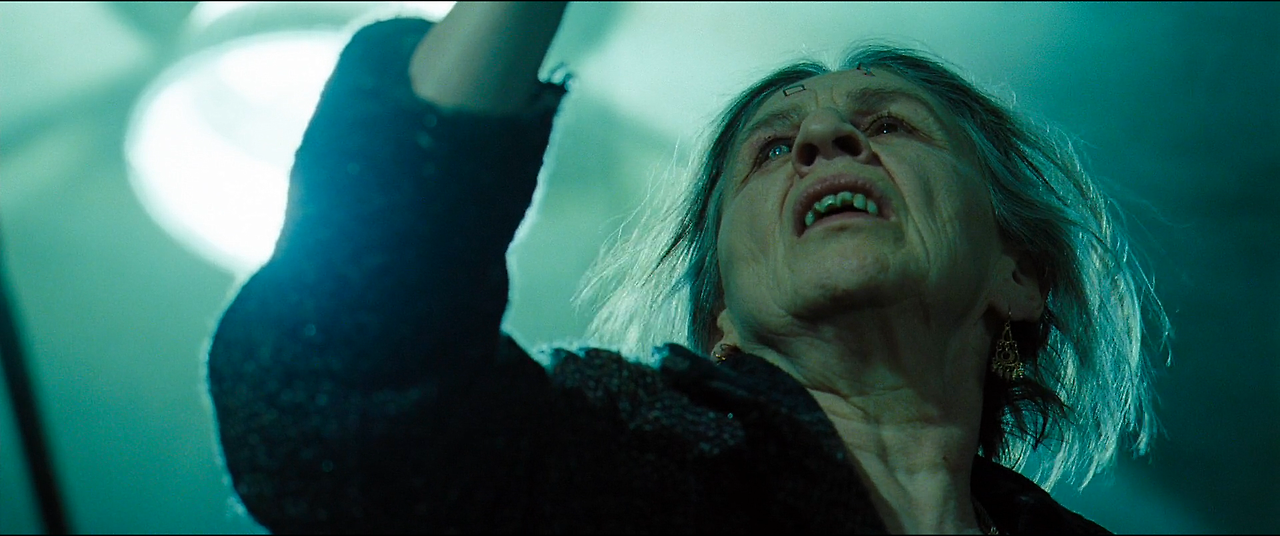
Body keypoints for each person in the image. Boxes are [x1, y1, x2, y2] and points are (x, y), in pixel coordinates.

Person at [206, 3, 1169, 534]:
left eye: (890, 125)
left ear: (1019, 275)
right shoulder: (611, 470)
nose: (824, 141)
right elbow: (325, 396)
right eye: (771, 149)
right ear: (722, 321)